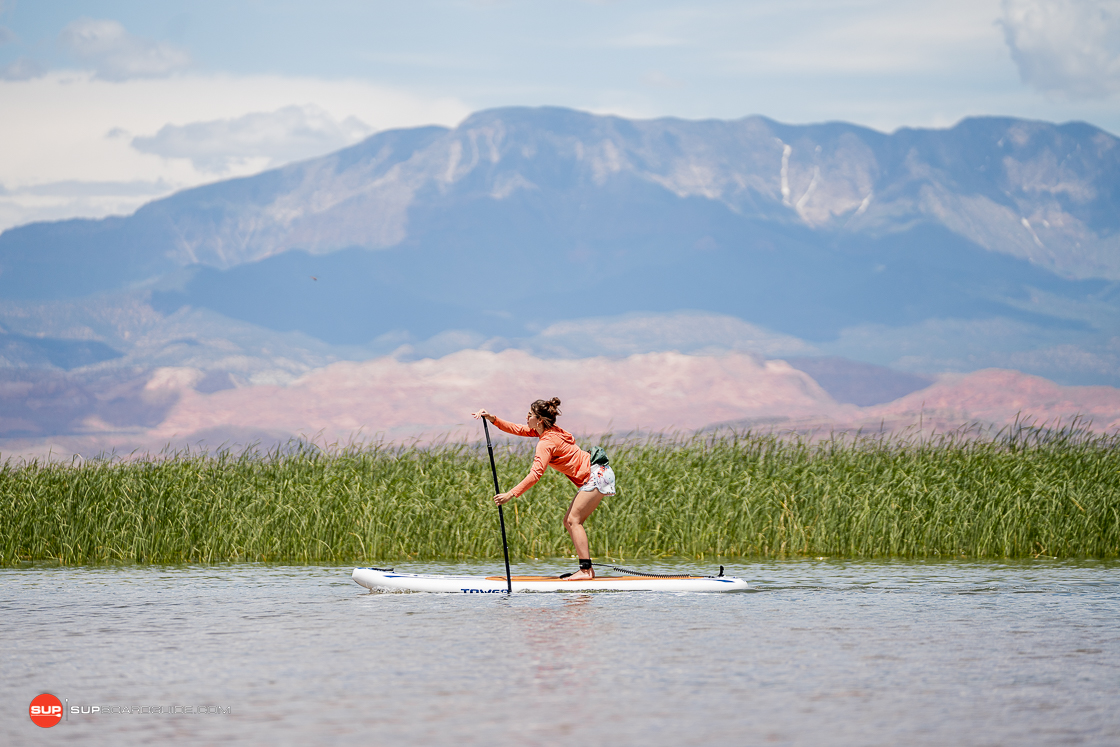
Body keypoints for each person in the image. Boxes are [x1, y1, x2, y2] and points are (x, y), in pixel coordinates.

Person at [471, 398, 614, 581]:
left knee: (573, 520)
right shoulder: (549, 432)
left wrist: (510, 494)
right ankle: (586, 569)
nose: (526, 417)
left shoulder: (546, 442)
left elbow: (535, 475)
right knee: (569, 521)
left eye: (529, 415)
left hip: (596, 475)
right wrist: (492, 419)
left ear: (539, 420)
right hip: (599, 472)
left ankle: (586, 571)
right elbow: (517, 429)